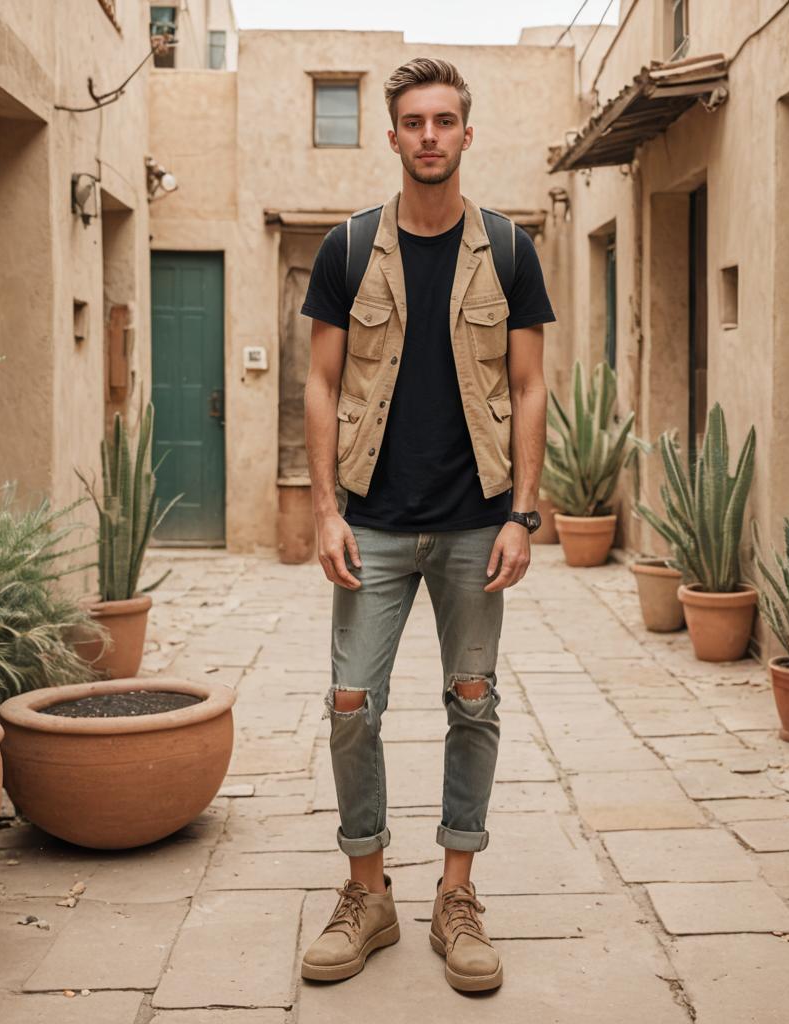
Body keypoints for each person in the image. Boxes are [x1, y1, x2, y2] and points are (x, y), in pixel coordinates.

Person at [298, 56, 555, 993]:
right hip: (369, 523)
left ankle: (457, 897)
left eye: (446, 120)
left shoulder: (512, 251)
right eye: (415, 122)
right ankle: (367, 894)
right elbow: (321, 384)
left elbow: (527, 388)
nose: (431, 135)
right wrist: (325, 510)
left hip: (474, 528)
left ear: (466, 133)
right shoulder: (348, 248)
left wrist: (524, 513)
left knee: (472, 706)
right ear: (394, 134)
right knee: (350, 705)